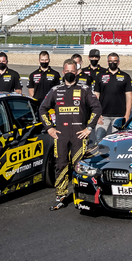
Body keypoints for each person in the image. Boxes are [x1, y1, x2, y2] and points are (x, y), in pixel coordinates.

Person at [40, 59, 102, 210]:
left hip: (78, 135)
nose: (69, 74)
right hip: (60, 135)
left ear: (76, 72)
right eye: (67, 71)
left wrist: (89, 128)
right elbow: (42, 109)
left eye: (72, 71)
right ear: (63, 72)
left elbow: (97, 108)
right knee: (60, 165)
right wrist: (49, 128)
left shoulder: (84, 89)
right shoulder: (55, 90)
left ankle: (81, 195)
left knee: (79, 166)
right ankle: (60, 196)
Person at [95, 52, 132, 138]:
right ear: (107, 62)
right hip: (103, 115)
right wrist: (96, 113)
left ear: (118, 62)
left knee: (117, 141)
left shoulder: (125, 76)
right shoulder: (100, 76)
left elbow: (129, 97)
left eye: (115, 61)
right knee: (99, 140)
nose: (113, 63)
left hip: (119, 115)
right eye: (110, 61)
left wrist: (127, 115)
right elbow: (96, 95)